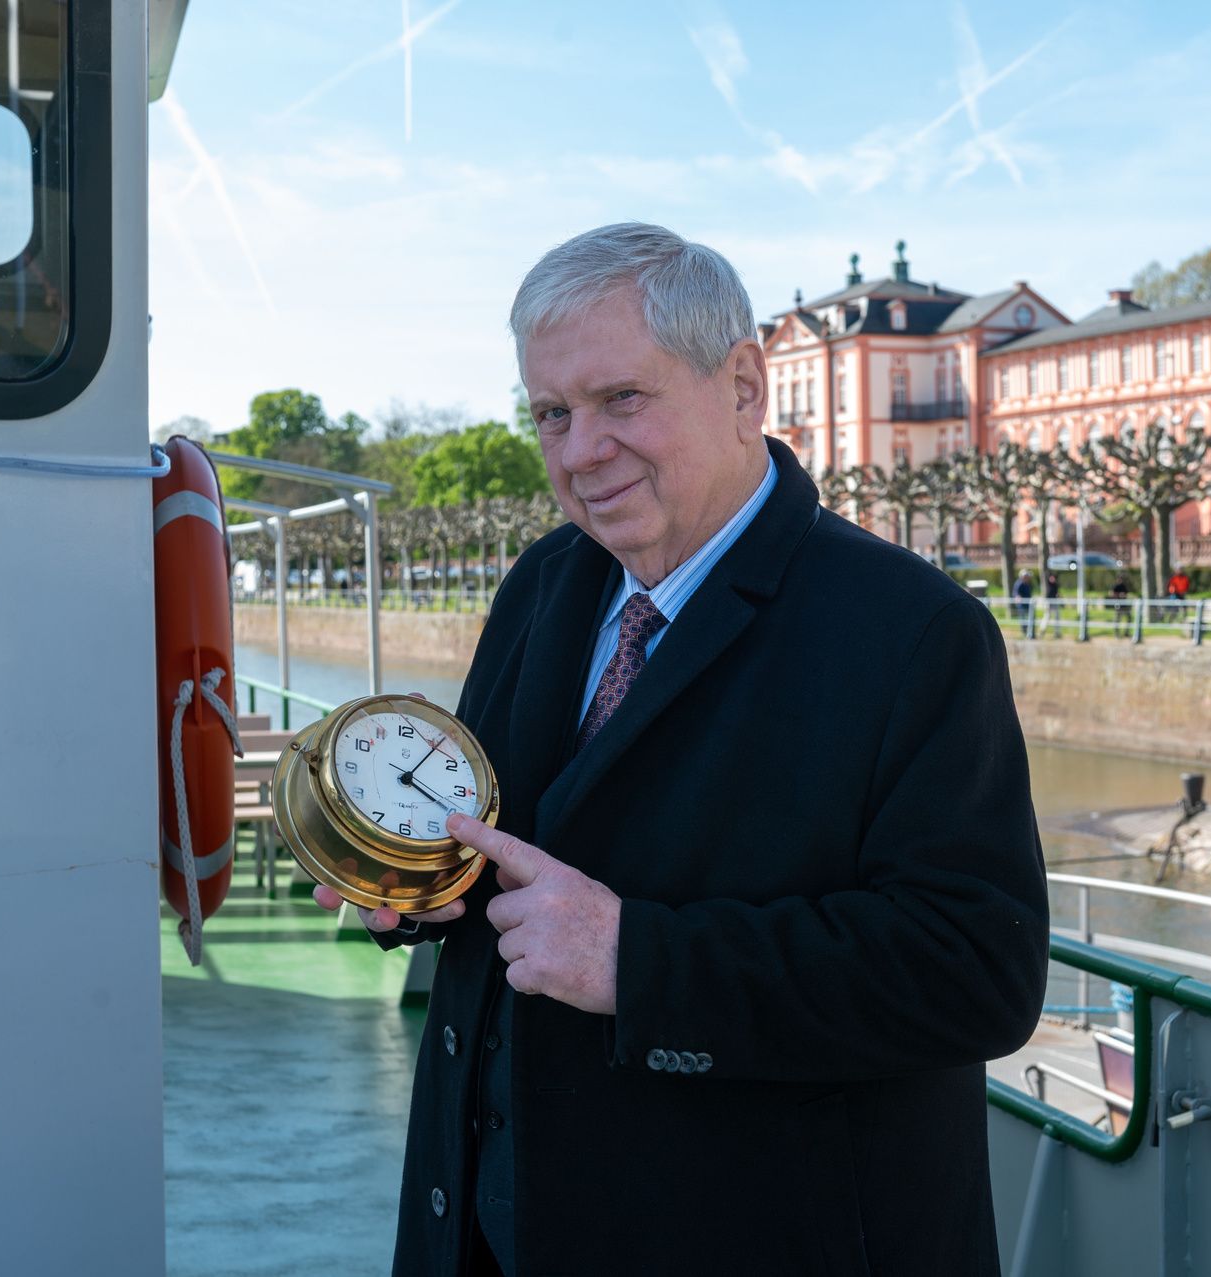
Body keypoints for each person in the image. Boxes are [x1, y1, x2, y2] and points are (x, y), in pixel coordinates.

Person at [311, 224, 1048, 1276]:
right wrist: (428, 880)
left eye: (622, 400)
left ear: (744, 384)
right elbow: (513, 849)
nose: (579, 450)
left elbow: (979, 969)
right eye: (552, 414)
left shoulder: (912, 631)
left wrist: (639, 961)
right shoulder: (543, 583)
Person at [1015, 568, 1036, 639]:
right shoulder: (1019, 584)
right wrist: (1018, 597)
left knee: (1031, 619)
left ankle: (1032, 634)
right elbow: (1016, 593)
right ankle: (1025, 633)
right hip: (1022, 606)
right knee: (1023, 620)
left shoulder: (1028, 584)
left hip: (1029, 605)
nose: (1027, 578)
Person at [1043, 569, 1061, 637]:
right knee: (1047, 616)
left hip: (1055, 602)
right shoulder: (1048, 584)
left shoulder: (1055, 585)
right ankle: (1043, 630)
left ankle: (1057, 632)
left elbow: (1056, 593)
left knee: (1057, 617)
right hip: (1049, 602)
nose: (1053, 579)